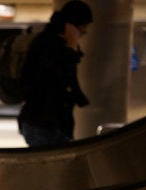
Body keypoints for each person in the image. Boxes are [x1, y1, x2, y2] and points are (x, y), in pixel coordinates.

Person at [17, 0, 93, 147]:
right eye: (83, 25)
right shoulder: (46, 44)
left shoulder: (58, 43)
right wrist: (71, 47)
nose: (85, 31)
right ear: (70, 25)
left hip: (50, 124)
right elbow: (59, 75)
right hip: (42, 124)